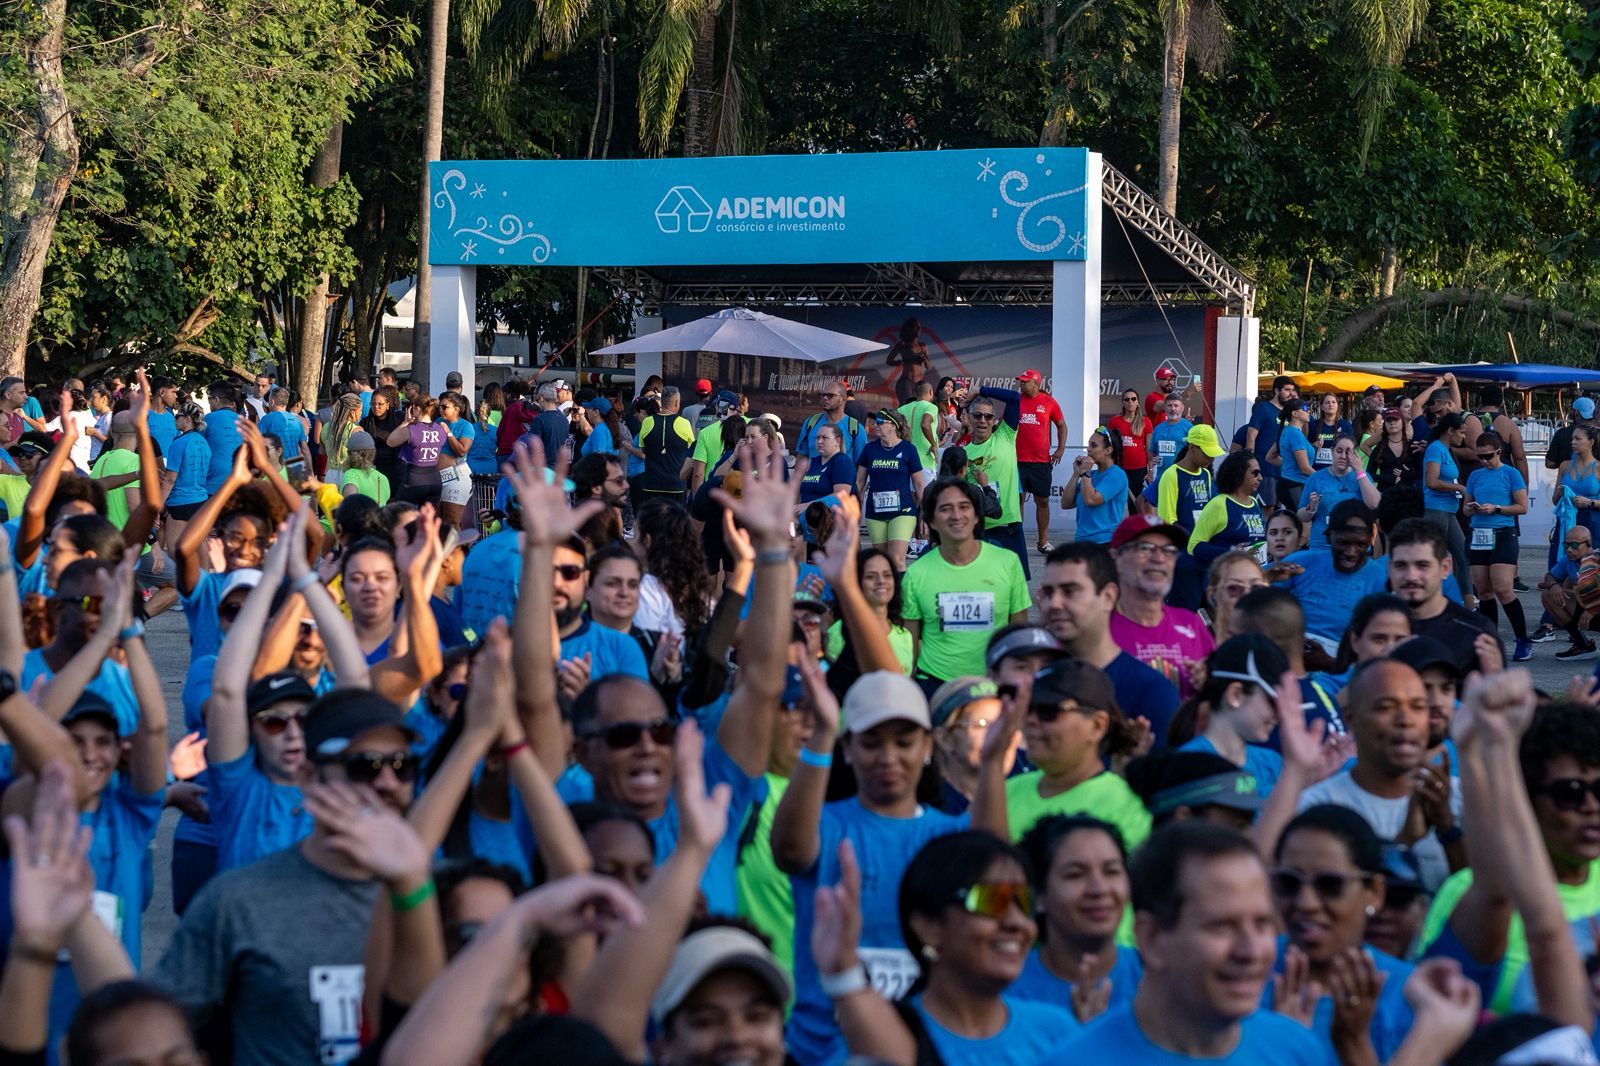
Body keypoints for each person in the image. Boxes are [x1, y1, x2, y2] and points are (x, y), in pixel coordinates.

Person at [152, 689, 427, 1065]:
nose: (387, 783)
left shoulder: (439, 895)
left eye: (401, 766)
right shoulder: (237, 901)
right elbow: (155, 1025)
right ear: (310, 777)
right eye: (364, 766)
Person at [772, 669, 1014, 1064]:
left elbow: (994, 876)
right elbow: (790, 849)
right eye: (870, 743)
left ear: (928, 747)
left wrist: (991, 763)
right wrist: (821, 736)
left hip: (929, 1048)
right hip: (821, 1048)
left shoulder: (950, 833)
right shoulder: (826, 824)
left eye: (904, 742)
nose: (889, 758)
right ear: (847, 749)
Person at [1039, 821, 1338, 1064]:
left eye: (1262, 924)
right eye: (1222, 927)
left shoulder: (1296, 1051)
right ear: (1151, 939)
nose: (1251, 951)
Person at [808, 830, 1077, 1064]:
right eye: (990, 900)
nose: (1017, 923)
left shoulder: (1058, 1032)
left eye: (1023, 902)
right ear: (928, 927)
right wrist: (841, 970)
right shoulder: (875, 1044)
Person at [1296, 659, 1462, 892]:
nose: (1405, 720)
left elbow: (1488, 910)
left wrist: (1448, 830)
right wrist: (1405, 843)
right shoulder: (1317, 810)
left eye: (1417, 707)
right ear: (1350, 718)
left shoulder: (1460, 800)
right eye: (1385, 707)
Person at [1268, 805, 1415, 1060]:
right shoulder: (1241, 978)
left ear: (1375, 892)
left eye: (1330, 885)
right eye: (1289, 882)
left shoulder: (1410, 995)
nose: (1306, 903)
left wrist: (1354, 1043)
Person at [1038, 542, 1180, 741]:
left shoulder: (1151, 691)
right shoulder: (1032, 680)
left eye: (1070, 591)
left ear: (1108, 596)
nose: (1054, 604)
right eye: (1048, 593)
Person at [901, 477, 1031, 689]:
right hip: (934, 684)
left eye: (964, 507)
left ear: (976, 516)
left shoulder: (1008, 563)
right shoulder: (915, 574)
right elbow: (910, 644)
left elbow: (1018, 634)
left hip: (993, 685)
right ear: (931, 520)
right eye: (945, 509)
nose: (956, 515)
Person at [1010, 815, 1143, 1021]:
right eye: (1075, 875)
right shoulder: (1007, 987)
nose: (1099, 889)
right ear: (1038, 896)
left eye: (1112, 871)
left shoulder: (1158, 976)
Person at [1005, 658, 1150, 845]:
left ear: (1097, 725)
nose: (1031, 720)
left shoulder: (1126, 806)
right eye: (1027, 709)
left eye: (1048, 711)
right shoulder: (1006, 791)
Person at [1108, 514, 1214, 699]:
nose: (1159, 558)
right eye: (1146, 548)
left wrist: (1209, 686)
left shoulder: (1192, 624)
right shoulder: (1095, 628)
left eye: (1168, 550)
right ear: (1115, 558)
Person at [1387, 517, 1501, 675]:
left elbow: (1494, 697)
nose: (1411, 576)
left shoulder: (1477, 634)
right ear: (1389, 567)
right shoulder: (1372, 627)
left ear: (1445, 568)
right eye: (1401, 565)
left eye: (1422, 565)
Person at [1275, 500, 1387, 653]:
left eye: (1360, 545)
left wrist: (1331, 663)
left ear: (1370, 540)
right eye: (1343, 543)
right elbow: (1259, 601)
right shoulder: (1301, 563)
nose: (1351, 553)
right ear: (1328, 537)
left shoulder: (1379, 579)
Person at [1462, 429, 1531, 660]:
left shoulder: (1511, 474)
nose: (1484, 461)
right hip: (1478, 532)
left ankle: (1522, 639)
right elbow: (1465, 507)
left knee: (1503, 588)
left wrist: (1497, 508)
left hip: (1503, 533)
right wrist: (1470, 509)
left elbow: (1522, 507)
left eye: (1488, 456)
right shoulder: (1475, 476)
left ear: (1499, 452)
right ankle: (1491, 642)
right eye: (1480, 457)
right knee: (1483, 590)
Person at [963, 390, 1029, 578]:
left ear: (994, 420)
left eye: (988, 416)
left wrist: (980, 390)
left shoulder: (1005, 436)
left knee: (1016, 586)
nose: (983, 420)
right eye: (977, 415)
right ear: (968, 418)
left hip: (1009, 526)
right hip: (980, 531)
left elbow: (1015, 398)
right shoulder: (964, 454)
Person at [824, 548, 915, 674]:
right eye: (871, 577)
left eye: (887, 575)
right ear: (856, 583)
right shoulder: (837, 635)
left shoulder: (904, 636)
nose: (881, 581)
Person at [855, 408, 924, 570]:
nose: (875, 425)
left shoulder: (908, 449)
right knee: (882, 562)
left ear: (893, 425)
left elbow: (919, 484)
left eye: (879, 422)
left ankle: (902, 595)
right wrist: (854, 508)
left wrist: (924, 514)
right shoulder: (869, 449)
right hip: (875, 513)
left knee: (897, 559)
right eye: (874, 422)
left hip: (903, 511)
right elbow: (859, 483)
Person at [1012, 369, 1067, 553]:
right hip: (1017, 460)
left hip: (1040, 462)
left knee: (1042, 501)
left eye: (1025, 381)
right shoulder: (1015, 400)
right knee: (1016, 500)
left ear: (1036, 383)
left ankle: (1043, 542)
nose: (1021, 384)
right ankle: (1017, 539)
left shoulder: (1048, 402)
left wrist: (1060, 449)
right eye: (1020, 381)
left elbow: (1061, 425)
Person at [1422, 412, 1473, 603]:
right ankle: (1431, 601)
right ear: (1450, 431)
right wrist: (1458, 487)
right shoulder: (1436, 449)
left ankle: (1466, 604)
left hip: (1448, 511)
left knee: (1463, 556)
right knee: (1434, 558)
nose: (1464, 437)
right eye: (1461, 432)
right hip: (1436, 510)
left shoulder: (1445, 449)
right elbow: (1431, 482)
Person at [1297, 434, 1381, 549]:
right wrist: (1310, 509)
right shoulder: (1315, 478)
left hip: (1354, 548)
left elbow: (1375, 504)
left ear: (1354, 454)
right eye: (1339, 451)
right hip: (1322, 547)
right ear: (1332, 451)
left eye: (1348, 452)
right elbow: (1301, 516)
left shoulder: (1362, 477)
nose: (1343, 456)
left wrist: (1359, 471)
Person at [1188, 451, 1267, 570]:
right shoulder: (1219, 504)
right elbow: (1194, 546)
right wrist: (1230, 553)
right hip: (1226, 578)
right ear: (1239, 474)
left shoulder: (1254, 503)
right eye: (1255, 473)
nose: (1260, 478)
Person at [1536, 523, 1596, 658]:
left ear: (1588, 543)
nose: (1569, 550)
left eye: (1574, 545)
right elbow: (1550, 576)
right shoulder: (1568, 560)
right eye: (1566, 545)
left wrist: (1592, 609)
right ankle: (1583, 645)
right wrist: (1554, 586)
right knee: (1548, 595)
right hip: (1586, 608)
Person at [1061, 427, 1126, 545]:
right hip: (1082, 541)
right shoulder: (1092, 475)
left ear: (1108, 450)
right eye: (1088, 445)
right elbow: (1066, 503)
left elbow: (1091, 500)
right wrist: (1076, 473)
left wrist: (1085, 472)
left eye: (1094, 445)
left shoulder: (1117, 474)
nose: (1088, 449)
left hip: (1105, 543)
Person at [1245, 375, 1299, 509]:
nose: (1290, 393)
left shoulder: (1289, 413)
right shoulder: (1263, 408)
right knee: (1266, 509)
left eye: (1292, 390)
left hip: (1283, 470)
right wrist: (1250, 464)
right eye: (1287, 390)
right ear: (1276, 391)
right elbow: (1251, 435)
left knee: (1279, 510)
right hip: (1265, 469)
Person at [636, 386, 695, 503]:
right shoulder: (684, 423)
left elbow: (643, 450)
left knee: (652, 520)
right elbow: (691, 451)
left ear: (661, 402)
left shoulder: (647, 422)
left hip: (651, 485)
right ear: (677, 402)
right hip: (676, 486)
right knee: (676, 521)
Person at [794, 382, 867, 463]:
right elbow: (802, 457)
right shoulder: (810, 423)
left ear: (842, 399)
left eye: (830, 395)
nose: (825, 398)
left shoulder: (856, 429)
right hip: (813, 474)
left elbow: (861, 466)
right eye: (823, 395)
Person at [1106, 389, 1151, 504]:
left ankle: (1134, 522)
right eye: (1127, 399)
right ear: (1123, 403)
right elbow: (1109, 445)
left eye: (1133, 399)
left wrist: (1150, 471)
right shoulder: (1114, 421)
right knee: (1116, 500)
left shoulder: (1145, 421)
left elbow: (1149, 448)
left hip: (1139, 468)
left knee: (1134, 502)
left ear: (1137, 402)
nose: (1130, 402)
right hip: (1119, 467)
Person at [1269, 401, 1315, 511]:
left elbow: (1270, 457)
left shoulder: (1287, 431)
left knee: (1297, 523)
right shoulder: (1295, 434)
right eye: (1305, 408)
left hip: (1290, 484)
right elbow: (1304, 468)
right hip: (1294, 485)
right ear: (1294, 413)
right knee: (1303, 523)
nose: (1308, 411)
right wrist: (1325, 477)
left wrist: (1289, 465)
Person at [1364, 406, 1420, 491]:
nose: (1392, 423)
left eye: (1396, 419)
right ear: (1384, 424)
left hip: (1408, 497)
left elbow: (1422, 473)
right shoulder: (1380, 448)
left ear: (1402, 422)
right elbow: (1369, 475)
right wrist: (1388, 478)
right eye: (1388, 420)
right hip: (1386, 496)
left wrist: (1407, 474)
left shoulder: (1412, 446)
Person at [898, 378, 941, 476]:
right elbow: (925, 424)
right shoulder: (931, 407)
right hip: (925, 463)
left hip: (905, 462)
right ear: (931, 392)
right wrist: (933, 444)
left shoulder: (902, 409)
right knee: (924, 491)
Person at [886, 316, 932, 404]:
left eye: (920, 327)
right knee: (908, 407)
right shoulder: (903, 344)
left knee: (918, 408)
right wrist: (898, 362)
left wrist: (924, 358)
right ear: (910, 329)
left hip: (919, 384)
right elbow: (889, 360)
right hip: (905, 381)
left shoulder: (923, 346)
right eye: (916, 327)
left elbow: (928, 367)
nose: (919, 329)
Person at [1147, 395, 1193, 482]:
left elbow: (1194, 452)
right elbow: (1152, 451)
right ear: (1164, 407)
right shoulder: (1158, 428)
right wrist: (1152, 463)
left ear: (1182, 408)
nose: (1173, 409)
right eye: (1169, 405)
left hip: (1181, 476)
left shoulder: (1189, 428)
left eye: (1176, 405)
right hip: (1160, 477)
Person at [258, 387, 306, 462]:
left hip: (277, 465)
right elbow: (304, 448)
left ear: (272, 401)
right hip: (295, 465)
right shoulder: (297, 420)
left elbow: (258, 443)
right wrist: (310, 470)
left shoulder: (266, 419)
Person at [1307, 394, 1353, 471]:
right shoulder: (1313, 424)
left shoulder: (1345, 425)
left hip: (1338, 470)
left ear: (1337, 406)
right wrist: (1313, 446)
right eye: (1327, 402)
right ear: (1321, 407)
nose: (1330, 404)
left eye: (1333, 402)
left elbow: (1351, 448)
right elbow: (1306, 448)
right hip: (1316, 470)